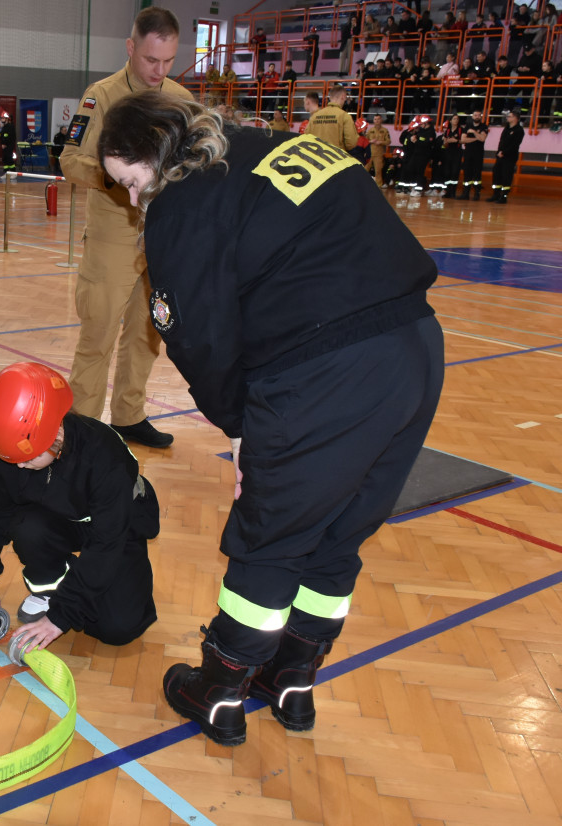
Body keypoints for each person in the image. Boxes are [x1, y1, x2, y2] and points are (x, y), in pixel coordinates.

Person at [98, 90, 444, 746]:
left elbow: (199, 338)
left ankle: (221, 688)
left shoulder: (184, 203)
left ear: (152, 156)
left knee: (271, 539)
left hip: (327, 370)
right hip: (416, 348)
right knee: (338, 534)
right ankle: (293, 678)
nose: (136, 200)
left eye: (132, 183)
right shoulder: (270, 143)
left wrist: (242, 431)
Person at [59, 6, 193, 449]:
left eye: (168, 61)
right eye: (151, 59)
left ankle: (128, 416)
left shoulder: (180, 98)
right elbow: (69, 159)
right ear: (131, 47)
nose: (159, 70)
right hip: (113, 235)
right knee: (97, 334)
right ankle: (82, 429)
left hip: (161, 237)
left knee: (148, 332)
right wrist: (115, 176)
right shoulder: (101, 95)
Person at [0, 362, 160, 652]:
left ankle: (79, 590)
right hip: (64, 516)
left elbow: (106, 544)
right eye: (11, 458)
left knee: (119, 628)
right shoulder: (13, 455)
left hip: (116, 525)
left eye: (26, 458)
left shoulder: (104, 457)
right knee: (27, 527)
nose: (18, 465)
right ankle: (53, 588)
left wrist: (59, 618)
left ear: (54, 433)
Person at [306, 84, 358, 151]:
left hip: (316, 158)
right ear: (343, 96)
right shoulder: (344, 116)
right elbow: (351, 143)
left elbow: (306, 138)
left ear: (330, 97)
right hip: (336, 158)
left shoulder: (314, 116)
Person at [488, 109, 524, 203]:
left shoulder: (519, 130)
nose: (508, 118)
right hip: (500, 155)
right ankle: (496, 194)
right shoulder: (506, 128)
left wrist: (504, 152)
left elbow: (515, 145)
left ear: (516, 118)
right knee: (497, 174)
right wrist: (499, 152)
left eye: (510, 116)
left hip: (509, 157)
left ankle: (503, 196)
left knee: (506, 176)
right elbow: (502, 141)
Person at [460, 109, 489, 199]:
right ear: (472, 116)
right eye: (475, 115)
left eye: (478, 115)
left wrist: (474, 132)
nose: (477, 117)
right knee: (467, 172)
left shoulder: (484, 126)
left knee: (477, 173)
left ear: (481, 117)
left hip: (478, 153)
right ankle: (466, 193)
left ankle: (477, 193)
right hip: (468, 152)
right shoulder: (468, 126)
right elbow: (463, 140)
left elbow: (482, 139)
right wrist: (476, 137)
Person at [365, 113, 391, 186]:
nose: (376, 121)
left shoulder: (385, 130)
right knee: (365, 170)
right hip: (369, 153)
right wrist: (371, 141)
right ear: (373, 120)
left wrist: (381, 142)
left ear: (381, 120)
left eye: (378, 119)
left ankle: (378, 186)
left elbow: (388, 141)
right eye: (375, 119)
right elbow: (365, 141)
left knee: (378, 171)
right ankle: (362, 185)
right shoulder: (370, 130)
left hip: (379, 154)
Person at [0, 112, 17, 179]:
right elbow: (2, 136)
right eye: (1, 118)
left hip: (9, 146)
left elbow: (8, 136)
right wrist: (2, 143)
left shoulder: (10, 126)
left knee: (9, 159)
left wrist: (5, 144)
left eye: (3, 118)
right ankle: (6, 173)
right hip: (4, 146)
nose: (2, 119)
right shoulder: (4, 127)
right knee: (5, 159)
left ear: (7, 119)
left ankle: (13, 173)